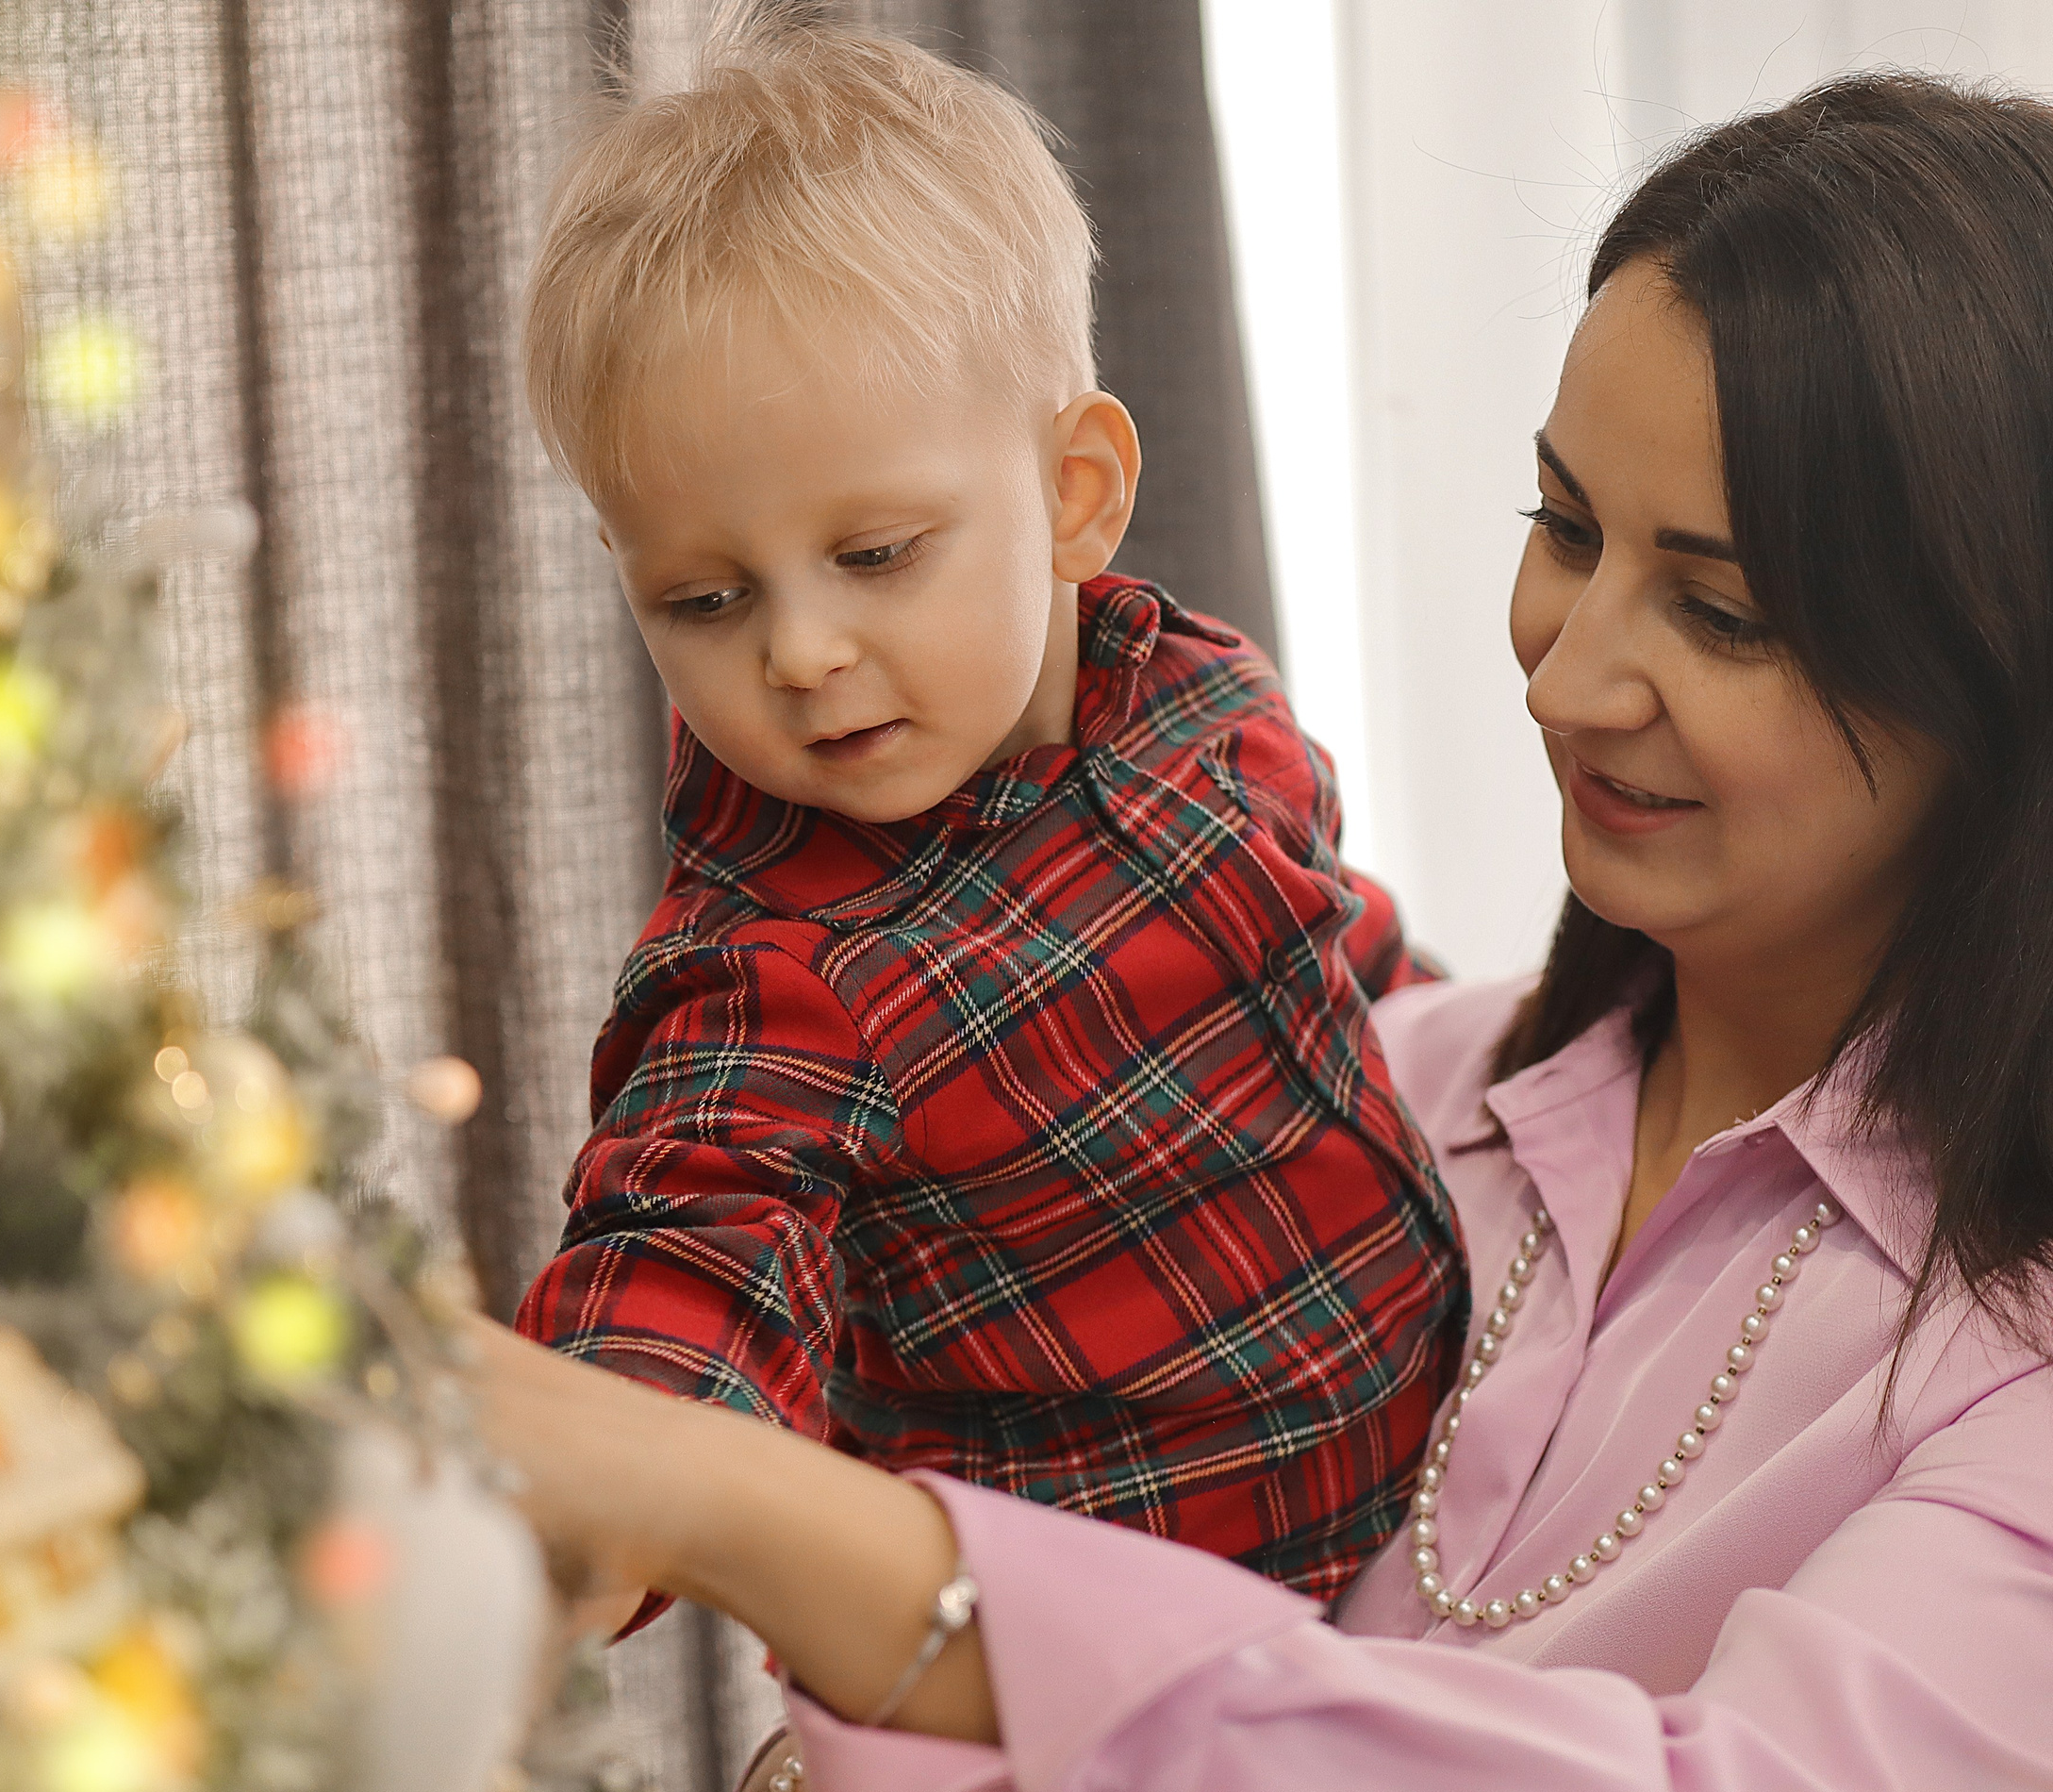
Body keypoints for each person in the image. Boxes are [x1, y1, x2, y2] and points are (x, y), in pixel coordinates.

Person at [475, 70, 2053, 1792]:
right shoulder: (1403, 1075)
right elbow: (688, 1241)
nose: (1567, 670)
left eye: (1724, 608)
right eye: (1565, 528)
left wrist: (804, 1542)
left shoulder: (2011, 1369)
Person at [510, 0, 1463, 1639]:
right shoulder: (778, 973)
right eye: (708, 596)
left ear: (1077, 492)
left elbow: (1319, 935)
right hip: (1117, 1673)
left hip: (1441, 1512)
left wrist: (1459, 1030)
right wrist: (581, 1516)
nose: (800, 651)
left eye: (875, 554)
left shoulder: (1200, 698)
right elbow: (690, 1247)